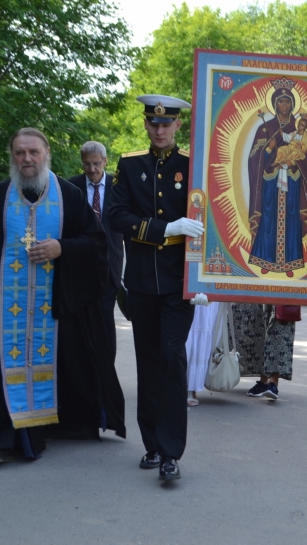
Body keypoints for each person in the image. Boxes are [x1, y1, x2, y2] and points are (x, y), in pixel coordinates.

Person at [0, 128, 126, 464]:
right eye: (19, 153)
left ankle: (51, 426)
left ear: (46, 153)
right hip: (5, 309)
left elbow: (97, 245)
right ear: (12, 156)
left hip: (53, 307)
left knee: (58, 366)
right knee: (2, 372)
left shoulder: (68, 195)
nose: (26, 159)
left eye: (33, 152)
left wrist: (62, 248)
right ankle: (2, 439)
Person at [107, 95, 205, 482]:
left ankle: (171, 452)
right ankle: (150, 443)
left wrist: (206, 279)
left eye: (167, 124)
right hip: (143, 283)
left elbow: (214, 216)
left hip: (180, 283)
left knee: (171, 358)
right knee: (148, 363)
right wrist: (167, 228)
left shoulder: (193, 166)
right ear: (146, 125)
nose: (160, 130)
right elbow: (116, 216)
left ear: (178, 126)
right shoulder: (130, 165)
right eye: (154, 123)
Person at [247, 78, 307, 277]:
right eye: (280, 101)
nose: (284, 105)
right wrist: (270, 146)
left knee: (292, 217)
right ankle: (265, 260)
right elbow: (254, 158)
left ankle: (290, 263)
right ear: (275, 104)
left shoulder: (299, 130)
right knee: (269, 217)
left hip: (293, 181)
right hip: (270, 182)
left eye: (288, 102)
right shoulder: (265, 128)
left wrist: (294, 161)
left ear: (292, 105)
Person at [68, 141, 124, 360]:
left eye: (96, 164)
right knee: (81, 319)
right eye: (87, 164)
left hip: (110, 265)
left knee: (104, 318)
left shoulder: (118, 187)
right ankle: (84, 370)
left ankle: (105, 370)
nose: (92, 169)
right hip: (80, 266)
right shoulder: (71, 188)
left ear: (105, 162)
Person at [234, 304, 296, 400]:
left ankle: (273, 383)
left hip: (284, 291)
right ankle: (263, 382)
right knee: (259, 326)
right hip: (262, 291)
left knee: (279, 325)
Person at [185, 302, 221, 406]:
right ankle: (183, 385)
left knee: (203, 328)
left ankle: (191, 388)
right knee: (187, 332)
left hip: (210, 292)